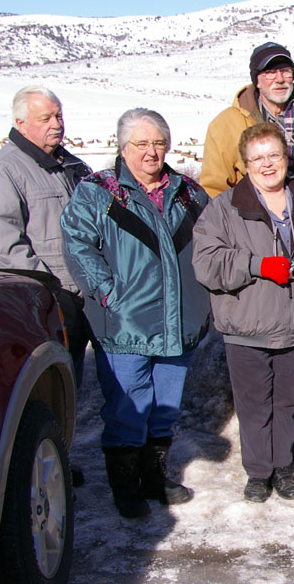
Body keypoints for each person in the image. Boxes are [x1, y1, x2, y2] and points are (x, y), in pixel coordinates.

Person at [61, 108, 210, 518]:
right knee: (128, 407)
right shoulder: (98, 192)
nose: (151, 152)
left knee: (166, 404)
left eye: (158, 143)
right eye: (141, 144)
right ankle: (125, 486)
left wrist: (207, 299)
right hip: (124, 322)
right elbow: (77, 243)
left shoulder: (189, 193)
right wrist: (107, 291)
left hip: (180, 320)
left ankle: (154, 477)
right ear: (122, 147)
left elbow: (214, 244)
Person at [199, 42, 294, 461]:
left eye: (285, 71)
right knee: (258, 350)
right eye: (270, 72)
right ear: (256, 78)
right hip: (256, 245)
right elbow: (212, 184)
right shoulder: (228, 123)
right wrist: (246, 238)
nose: (280, 79)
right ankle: (263, 446)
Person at [0, 85, 95, 486]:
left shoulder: (68, 166)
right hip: (48, 298)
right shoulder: (2, 171)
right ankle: (48, 467)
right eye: (46, 118)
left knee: (73, 382)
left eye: (59, 116)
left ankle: (64, 454)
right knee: (50, 387)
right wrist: (47, 289)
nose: (56, 124)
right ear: (20, 123)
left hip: (88, 291)